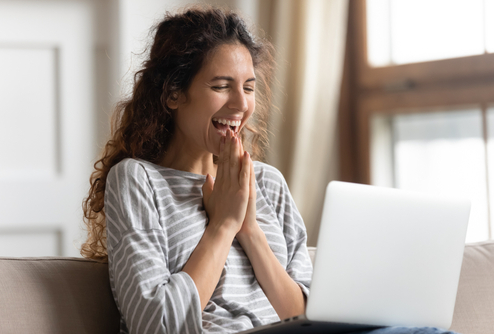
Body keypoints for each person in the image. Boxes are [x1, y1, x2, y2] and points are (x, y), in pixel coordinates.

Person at [81, 5, 460, 334]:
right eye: (221, 85)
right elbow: (156, 325)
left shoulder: (268, 183)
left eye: (248, 87)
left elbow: (307, 315)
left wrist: (250, 230)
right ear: (173, 93)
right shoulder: (137, 181)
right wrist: (224, 225)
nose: (240, 103)